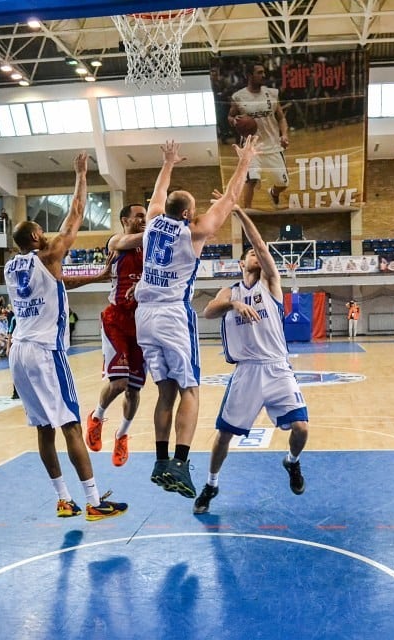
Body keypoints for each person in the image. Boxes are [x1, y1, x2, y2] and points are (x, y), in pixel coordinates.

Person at [4, 151, 127, 521]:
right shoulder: (51, 251)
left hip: (18, 351)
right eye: (42, 231)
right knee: (71, 423)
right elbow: (75, 212)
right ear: (38, 236)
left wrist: (97, 275)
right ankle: (93, 501)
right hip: (45, 351)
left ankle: (63, 499)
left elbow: (59, 284)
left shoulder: (13, 266)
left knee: (44, 428)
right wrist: (81, 175)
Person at [136, 136, 258, 499]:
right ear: (188, 214)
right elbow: (230, 202)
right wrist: (244, 162)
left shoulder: (152, 220)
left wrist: (168, 162)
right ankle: (180, 463)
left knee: (165, 391)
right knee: (190, 388)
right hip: (172, 313)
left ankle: (160, 461)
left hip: (144, 315)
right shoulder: (194, 233)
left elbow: (158, 194)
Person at [193, 205, 309, 513]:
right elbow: (207, 312)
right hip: (247, 372)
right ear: (241, 262)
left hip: (276, 366)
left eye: (258, 253)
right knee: (223, 435)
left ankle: (292, 462)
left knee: (301, 428)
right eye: (250, 254)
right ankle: (211, 485)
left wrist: (239, 212)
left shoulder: (270, 282)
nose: (256, 256)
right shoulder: (228, 290)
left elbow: (260, 244)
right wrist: (234, 305)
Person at [86, 203, 147, 468]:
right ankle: (97, 416)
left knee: (134, 389)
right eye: (140, 216)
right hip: (116, 320)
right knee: (119, 383)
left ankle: (122, 435)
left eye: (147, 216)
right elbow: (134, 239)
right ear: (125, 220)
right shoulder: (116, 241)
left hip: (142, 323)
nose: (145, 220)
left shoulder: (150, 248)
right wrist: (164, 227)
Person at [228, 63, 289, 208]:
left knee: (283, 183)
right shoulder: (238, 96)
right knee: (251, 179)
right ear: (249, 75)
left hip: (273, 145)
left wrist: (284, 135)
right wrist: (233, 121)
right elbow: (230, 116)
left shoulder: (272, 93)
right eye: (260, 73)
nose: (264, 75)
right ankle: (247, 213)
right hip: (251, 147)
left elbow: (281, 117)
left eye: (263, 72)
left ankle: (273, 192)